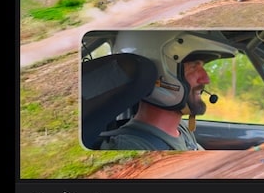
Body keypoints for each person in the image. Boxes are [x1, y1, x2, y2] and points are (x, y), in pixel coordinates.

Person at [99, 31, 236, 151]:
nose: (206, 79)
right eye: (194, 67)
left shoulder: (181, 129)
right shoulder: (130, 147)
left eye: (202, 67)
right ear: (158, 72)